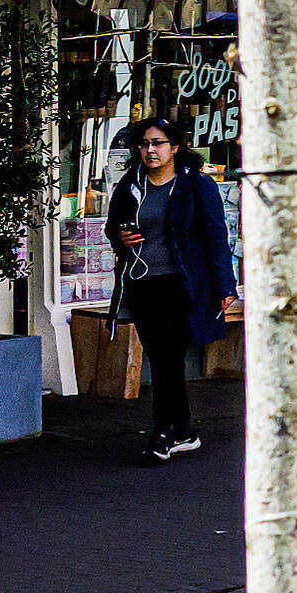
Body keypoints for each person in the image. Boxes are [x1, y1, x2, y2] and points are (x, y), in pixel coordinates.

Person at [107, 116, 236, 464]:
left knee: (168, 357)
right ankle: (185, 430)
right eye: (144, 144)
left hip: (182, 284)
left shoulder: (196, 185)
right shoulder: (131, 184)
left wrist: (225, 285)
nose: (150, 150)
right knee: (162, 357)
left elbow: (216, 236)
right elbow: (112, 227)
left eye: (158, 143)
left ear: (175, 147)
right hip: (141, 283)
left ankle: (162, 433)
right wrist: (120, 237)